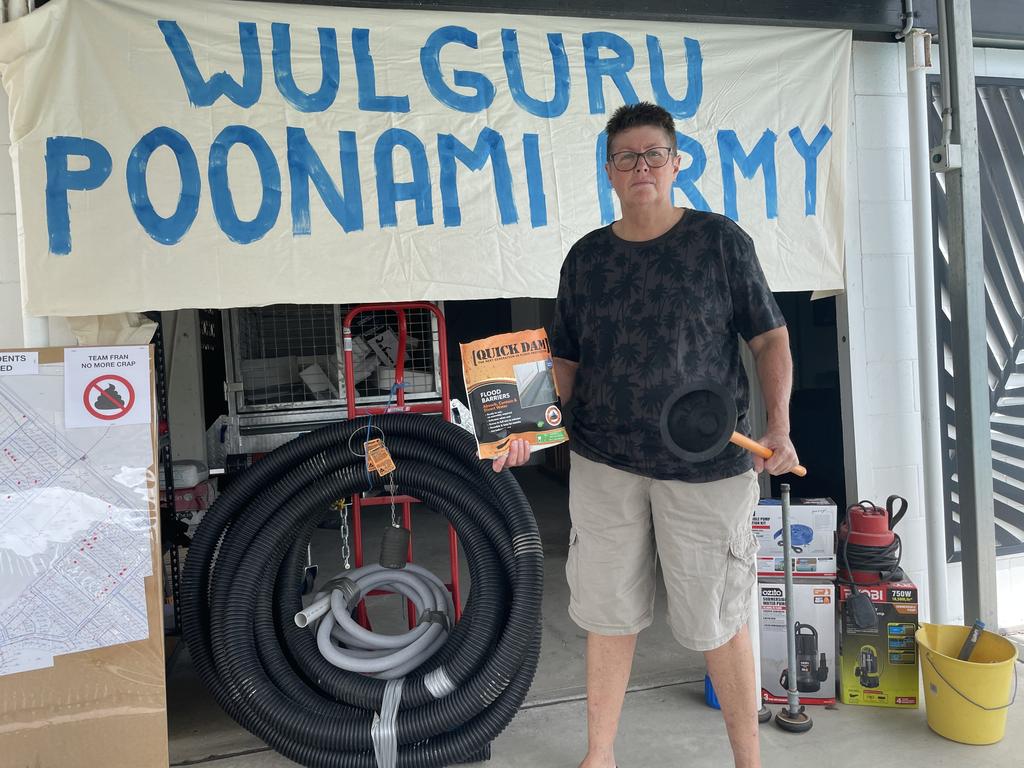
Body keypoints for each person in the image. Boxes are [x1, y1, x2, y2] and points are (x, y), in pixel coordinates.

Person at [493, 102, 798, 768]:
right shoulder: (587, 259)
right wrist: (526, 426)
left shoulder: (719, 241)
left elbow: (770, 336)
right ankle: (598, 756)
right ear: (608, 171)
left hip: (709, 466)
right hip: (606, 463)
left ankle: (749, 762)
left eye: (654, 154)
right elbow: (565, 359)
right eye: (627, 156)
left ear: (676, 162)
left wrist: (778, 425)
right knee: (608, 613)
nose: (641, 167)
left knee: (718, 619)